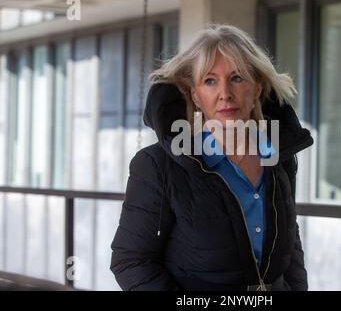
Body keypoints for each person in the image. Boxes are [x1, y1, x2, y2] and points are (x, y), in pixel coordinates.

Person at [110, 24, 313, 291]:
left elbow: (290, 240)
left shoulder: (279, 157)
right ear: (195, 94)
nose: (225, 93)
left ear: (258, 88)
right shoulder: (158, 165)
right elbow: (131, 261)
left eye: (237, 78)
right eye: (210, 80)